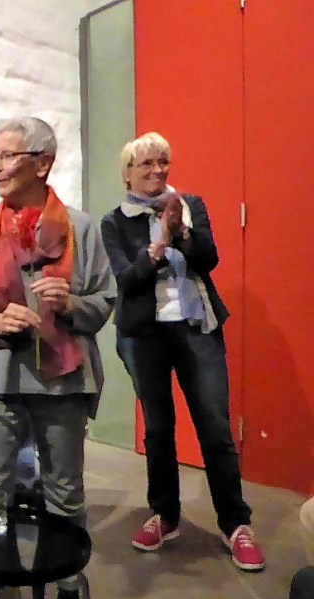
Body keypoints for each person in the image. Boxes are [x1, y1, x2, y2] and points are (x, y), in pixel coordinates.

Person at [0, 116, 115, 599]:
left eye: (7, 156)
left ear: (42, 164)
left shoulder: (81, 229)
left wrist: (71, 305)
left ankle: (67, 590)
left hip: (64, 381)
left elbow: (104, 301)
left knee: (65, 492)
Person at [100, 131, 265, 571]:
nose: (157, 171)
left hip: (196, 328)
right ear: (127, 174)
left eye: (163, 162)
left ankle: (236, 524)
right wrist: (158, 246)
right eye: (146, 164)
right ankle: (165, 515)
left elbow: (209, 259)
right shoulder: (114, 222)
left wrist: (182, 232)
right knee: (158, 429)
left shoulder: (190, 205)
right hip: (144, 335)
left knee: (215, 429)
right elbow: (127, 279)